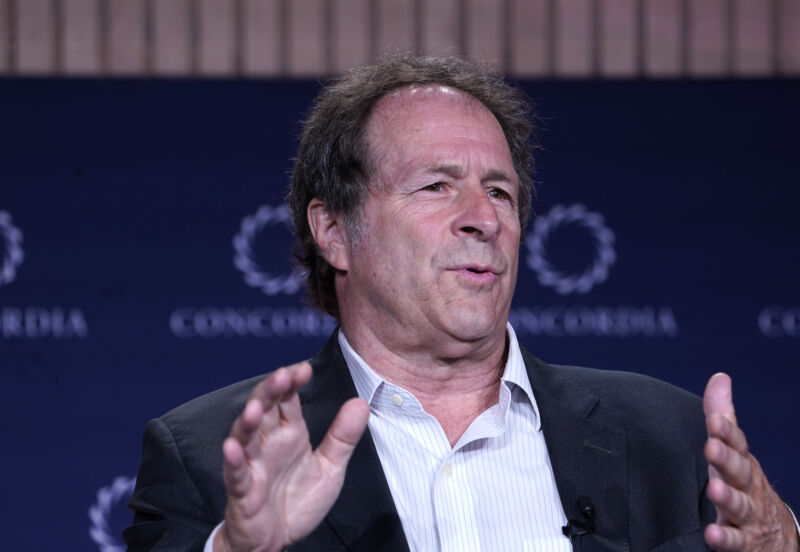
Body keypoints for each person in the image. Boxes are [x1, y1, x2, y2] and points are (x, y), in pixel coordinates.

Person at [124, 54, 799, 552]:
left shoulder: (669, 440)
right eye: (437, 187)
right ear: (334, 231)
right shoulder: (206, 457)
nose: (483, 218)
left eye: (500, 192)